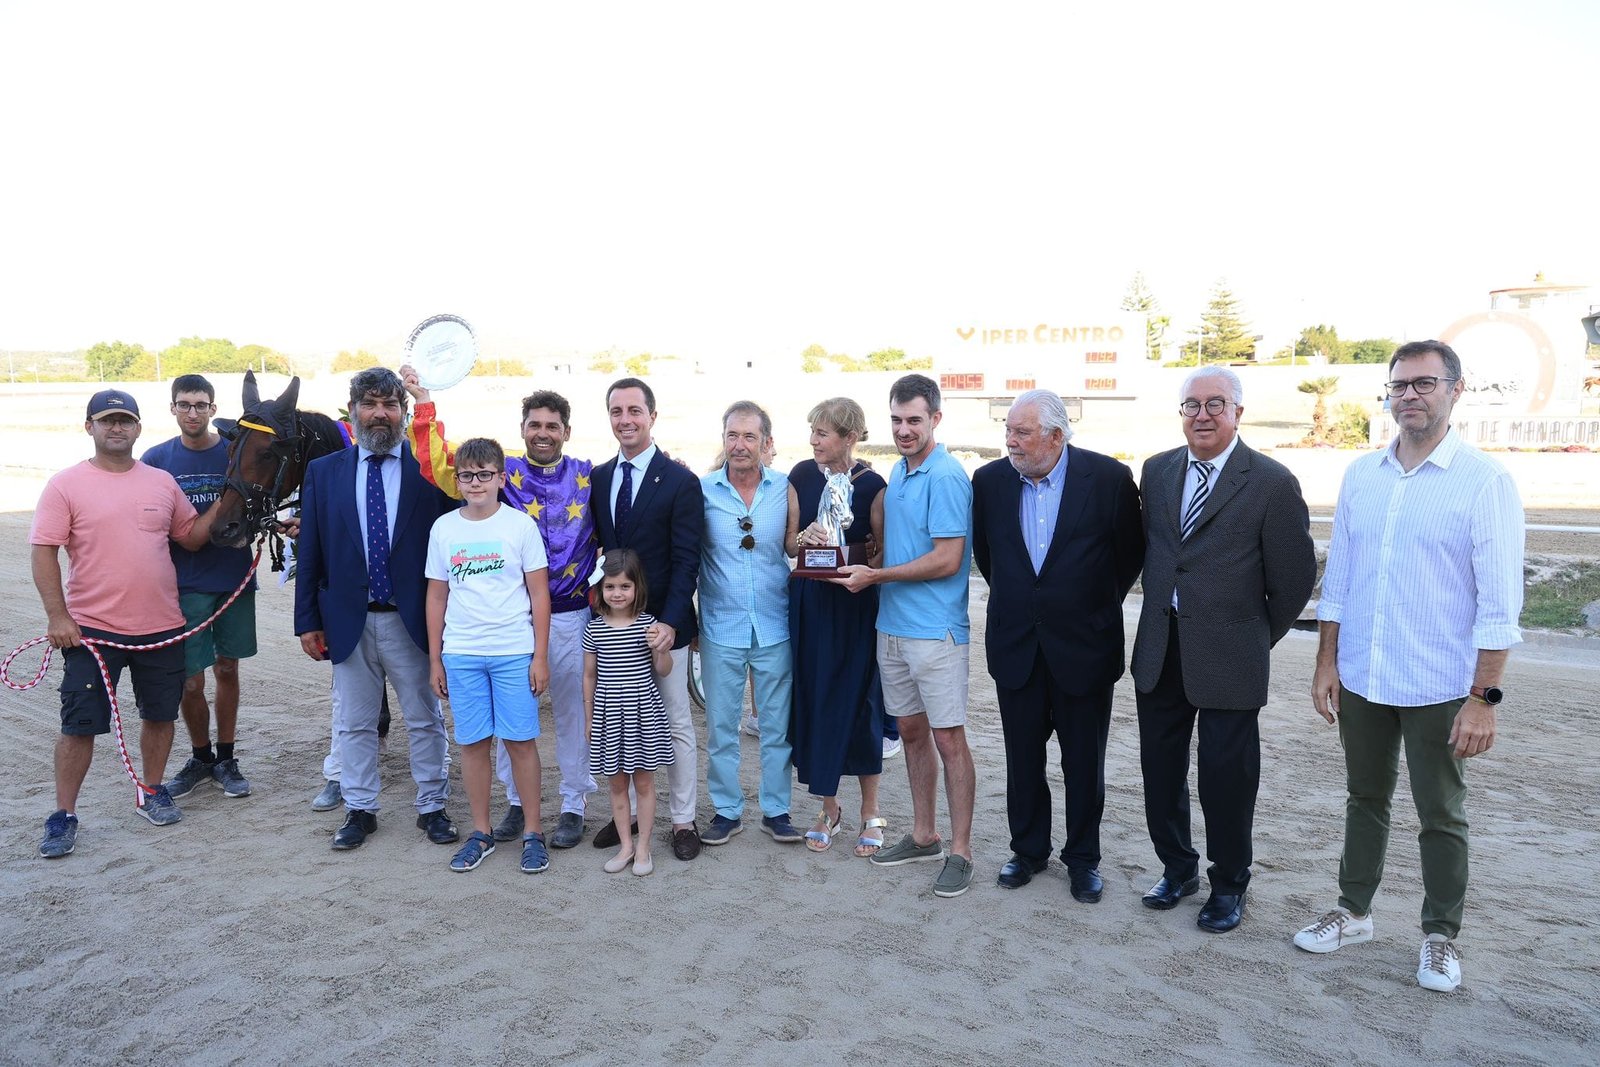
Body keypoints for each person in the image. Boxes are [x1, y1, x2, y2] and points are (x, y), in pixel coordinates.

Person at [1293, 340, 1523, 993]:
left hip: (1440, 684)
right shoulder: (1362, 476)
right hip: (1364, 674)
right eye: (1399, 385)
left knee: (1441, 812)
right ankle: (1353, 911)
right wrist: (1326, 663)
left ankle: (1441, 936)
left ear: (1455, 390)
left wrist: (1483, 698)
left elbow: (1500, 603)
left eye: (1424, 383)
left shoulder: (1484, 482)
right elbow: (1340, 580)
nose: (1410, 396)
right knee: (1364, 797)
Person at [1130, 367, 1316, 932]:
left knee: (1226, 781)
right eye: (1192, 405)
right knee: (1161, 771)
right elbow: (1158, 551)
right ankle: (1177, 868)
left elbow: (1294, 580)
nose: (1203, 415)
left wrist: (1253, 635)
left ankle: (1230, 884)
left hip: (1232, 656)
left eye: (1216, 404)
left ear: (1238, 412)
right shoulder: (1157, 470)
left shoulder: (1271, 481)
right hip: (1161, 647)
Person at [404, 367, 598, 849]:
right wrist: (424, 402)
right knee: (513, 721)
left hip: (571, 615)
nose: (543, 433)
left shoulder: (590, 474)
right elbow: (440, 464)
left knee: (572, 715)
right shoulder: (502, 471)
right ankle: (515, 803)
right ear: (522, 429)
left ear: (567, 431)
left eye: (552, 426)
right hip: (515, 622)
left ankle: (573, 804)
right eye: (535, 424)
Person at [971, 389, 1144, 899]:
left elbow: (1129, 556)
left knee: (1084, 764)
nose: (1010, 441)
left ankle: (1083, 859)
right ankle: (1027, 851)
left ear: (1056, 435)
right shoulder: (990, 482)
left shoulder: (1108, 479)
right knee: (1022, 759)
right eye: (1008, 431)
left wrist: (1084, 605)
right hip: (1017, 646)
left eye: (1022, 433)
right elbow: (989, 556)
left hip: (1084, 648)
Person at [34, 389, 221, 856]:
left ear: (138, 427)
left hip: (162, 628)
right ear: (90, 427)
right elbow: (44, 551)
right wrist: (58, 616)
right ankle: (63, 815)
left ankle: (151, 791)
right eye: (107, 420)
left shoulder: (161, 482)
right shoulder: (65, 485)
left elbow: (191, 537)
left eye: (125, 420)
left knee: (159, 716)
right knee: (79, 725)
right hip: (91, 632)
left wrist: (229, 498)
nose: (116, 428)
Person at [293, 367, 459, 852]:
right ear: (352, 412)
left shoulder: (428, 470)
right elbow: (312, 550)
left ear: (403, 413)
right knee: (355, 722)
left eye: (390, 405)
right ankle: (360, 808)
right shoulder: (324, 472)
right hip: (349, 619)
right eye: (370, 404)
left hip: (413, 620)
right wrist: (307, 620)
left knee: (424, 718)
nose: (380, 414)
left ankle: (433, 806)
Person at [835, 374, 977, 898]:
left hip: (936, 632)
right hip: (891, 627)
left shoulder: (947, 476)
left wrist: (876, 576)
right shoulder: (898, 470)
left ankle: (961, 851)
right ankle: (923, 836)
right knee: (912, 733)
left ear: (935, 418)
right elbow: (895, 546)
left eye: (914, 420)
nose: (903, 430)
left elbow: (947, 559)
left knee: (949, 740)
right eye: (896, 420)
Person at [424, 438, 553, 874]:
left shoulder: (519, 527)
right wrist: (436, 659)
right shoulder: (444, 529)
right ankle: (481, 832)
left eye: (484, 474)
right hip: (462, 653)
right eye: (467, 475)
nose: (475, 483)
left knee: (520, 742)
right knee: (473, 743)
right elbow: (436, 596)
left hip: (513, 651)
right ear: (457, 480)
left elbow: (539, 594)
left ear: (500, 478)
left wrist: (539, 656)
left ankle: (533, 832)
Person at [589, 378, 705, 861]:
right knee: (623, 726)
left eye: (634, 410)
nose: (625, 420)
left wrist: (671, 623)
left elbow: (687, 560)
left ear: (652, 416)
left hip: (662, 628)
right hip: (615, 626)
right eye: (616, 411)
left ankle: (682, 820)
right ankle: (633, 817)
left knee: (673, 723)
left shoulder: (680, 481)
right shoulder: (598, 478)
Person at [141, 374, 257, 802]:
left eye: (201, 405)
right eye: (185, 404)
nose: (193, 412)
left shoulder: (233, 450)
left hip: (233, 578)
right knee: (190, 681)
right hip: (183, 583)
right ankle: (201, 756)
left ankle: (226, 758)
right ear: (172, 408)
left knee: (227, 669)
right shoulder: (156, 459)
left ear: (213, 409)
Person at [788, 397, 890, 856]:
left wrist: (862, 562)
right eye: (812, 432)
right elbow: (790, 545)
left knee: (862, 702)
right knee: (815, 697)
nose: (813, 441)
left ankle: (871, 810)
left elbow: (883, 552)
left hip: (855, 606)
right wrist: (804, 536)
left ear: (850, 437)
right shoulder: (800, 476)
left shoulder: (874, 486)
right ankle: (829, 807)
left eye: (823, 433)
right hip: (811, 604)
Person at [698, 401, 801, 846]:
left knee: (777, 727)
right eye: (732, 435)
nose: (740, 445)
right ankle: (726, 810)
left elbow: (797, 545)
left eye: (749, 437)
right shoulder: (702, 491)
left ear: (766, 442)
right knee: (721, 726)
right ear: (723, 439)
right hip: (720, 626)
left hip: (774, 624)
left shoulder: (786, 488)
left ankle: (776, 810)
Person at [584, 550, 675, 876]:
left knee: (645, 783)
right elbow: (589, 676)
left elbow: (663, 670)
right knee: (617, 785)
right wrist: (589, 718)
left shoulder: (649, 625)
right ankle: (625, 845)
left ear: (637, 587)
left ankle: (644, 847)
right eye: (610, 587)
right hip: (609, 713)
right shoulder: (594, 629)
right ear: (601, 589)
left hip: (642, 713)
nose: (617, 593)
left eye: (625, 586)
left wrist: (659, 648)